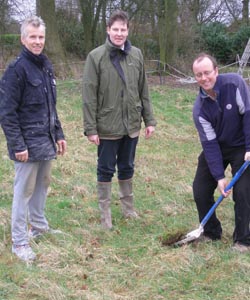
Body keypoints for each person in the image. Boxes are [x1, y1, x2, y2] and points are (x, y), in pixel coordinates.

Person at [0, 16, 67, 262]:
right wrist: (18, 145)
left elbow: (52, 106)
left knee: (42, 186)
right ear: (23, 39)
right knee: (23, 192)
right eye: (33, 37)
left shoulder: (46, 66)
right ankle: (19, 242)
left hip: (45, 141)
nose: (38, 41)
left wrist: (58, 134)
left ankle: (38, 227)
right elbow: (6, 113)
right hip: (26, 147)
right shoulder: (15, 70)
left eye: (41, 37)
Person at [83, 10, 156, 230]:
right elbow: (88, 95)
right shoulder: (95, 57)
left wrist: (149, 120)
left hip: (131, 125)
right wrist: (91, 128)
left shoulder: (137, 55)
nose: (119, 33)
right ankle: (105, 214)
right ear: (108, 30)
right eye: (115, 29)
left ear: (127, 30)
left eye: (123, 29)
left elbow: (144, 89)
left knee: (127, 167)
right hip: (107, 126)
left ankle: (128, 209)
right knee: (105, 169)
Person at [192, 53, 250, 252]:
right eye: (199, 75)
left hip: (242, 145)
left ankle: (242, 239)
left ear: (216, 71)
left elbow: (248, 115)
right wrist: (218, 177)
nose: (204, 78)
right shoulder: (199, 109)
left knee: (243, 191)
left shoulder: (234, 84)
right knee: (200, 189)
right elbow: (209, 144)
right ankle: (211, 231)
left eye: (207, 72)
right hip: (218, 146)